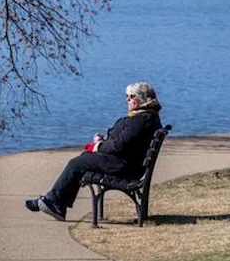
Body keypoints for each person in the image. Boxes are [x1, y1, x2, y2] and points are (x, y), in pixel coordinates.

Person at [26, 82, 163, 221]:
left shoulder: (141, 120)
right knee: (83, 160)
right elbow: (124, 141)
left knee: (76, 163)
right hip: (127, 163)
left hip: (125, 167)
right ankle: (56, 203)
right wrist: (103, 141)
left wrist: (98, 146)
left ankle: (55, 203)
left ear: (143, 99)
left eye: (131, 96)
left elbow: (119, 146)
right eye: (126, 96)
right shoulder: (146, 117)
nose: (127, 99)